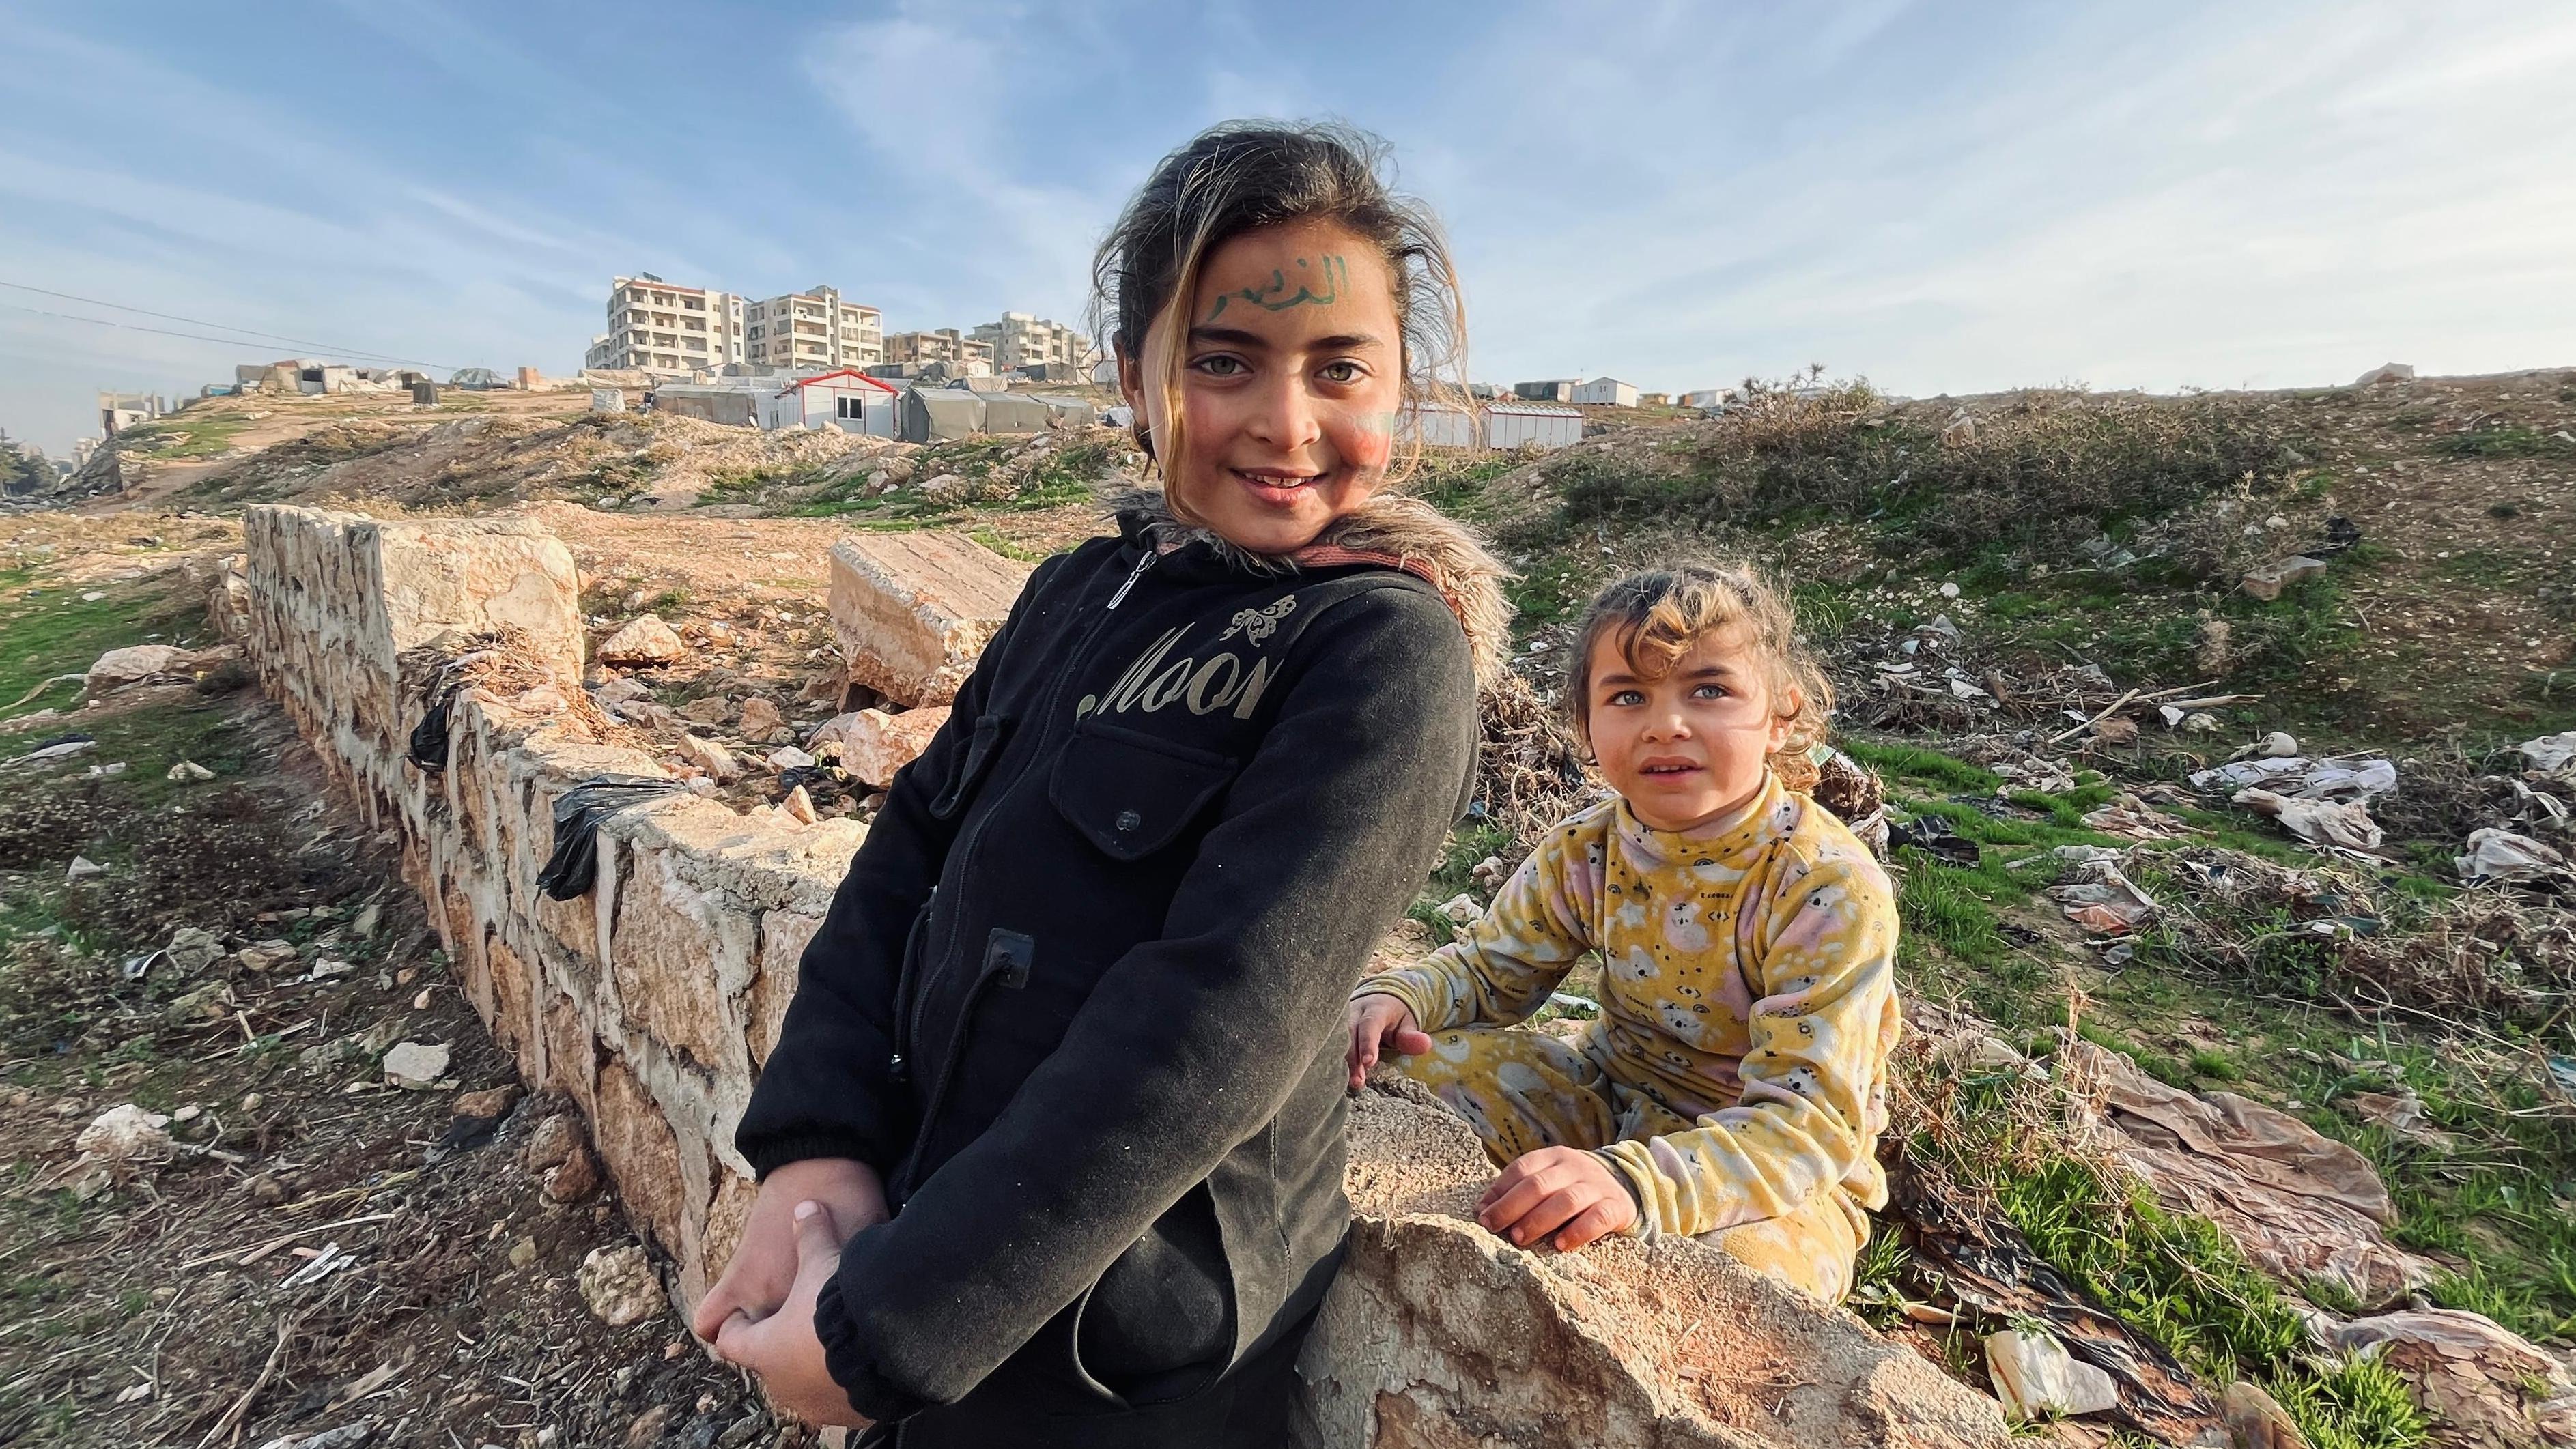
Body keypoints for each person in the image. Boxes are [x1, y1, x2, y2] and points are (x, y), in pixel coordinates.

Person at [696, 121, 1510, 1446]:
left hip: (1125, 1357)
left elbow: (1217, 1014)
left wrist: (887, 1325)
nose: (1282, 420)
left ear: (1398, 390)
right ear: (1134, 379)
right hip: (939, 1235)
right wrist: (818, 1145)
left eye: (1338, 368)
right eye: (1222, 359)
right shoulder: (1079, 587)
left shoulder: (1378, 650)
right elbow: (908, 845)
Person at [1345, 564, 1901, 1302]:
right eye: (1627, 695)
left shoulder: (1823, 885)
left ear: (1780, 716)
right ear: (1584, 725)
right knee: (1387, 1072)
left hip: (1772, 1163)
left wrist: (1631, 1182)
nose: (1665, 723)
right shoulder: (1587, 847)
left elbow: (1804, 1126)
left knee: (1741, 1282)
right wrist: (1400, 996)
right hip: (1605, 1094)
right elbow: (1489, 970)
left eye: (1709, 689)